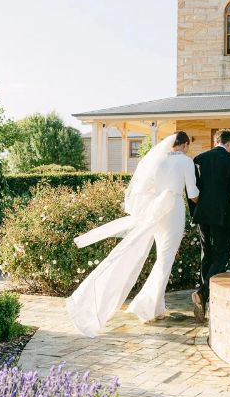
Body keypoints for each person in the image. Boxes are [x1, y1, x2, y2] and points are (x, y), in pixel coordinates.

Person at [67, 131, 198, 337]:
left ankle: (155, 304)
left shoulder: (158, 160)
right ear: (185, 144)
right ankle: (148, 307)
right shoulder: (186, 161)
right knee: (166, 259)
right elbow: (193, 193)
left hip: (158, 211)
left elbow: (147, 188)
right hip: (173, 211)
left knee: (161, 259)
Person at [190, 129, 230, 323]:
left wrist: (195, 212)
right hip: (222, 215)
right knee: (222, 253)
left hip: (202, 214)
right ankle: (203, 291)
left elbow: (191, 189)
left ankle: (204, 301)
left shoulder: (199, 159)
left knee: (206, 253)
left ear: (215, 141)